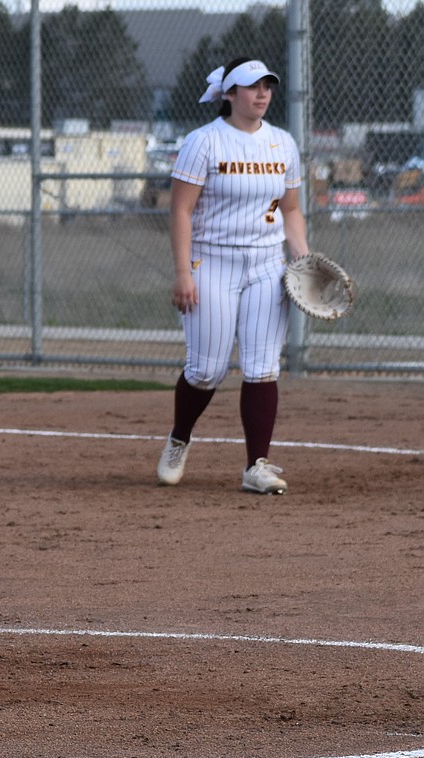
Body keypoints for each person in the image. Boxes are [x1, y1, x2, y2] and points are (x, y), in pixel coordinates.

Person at [155, 58, 310, 495]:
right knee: (206, 369)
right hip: (212, 261)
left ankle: (256, 466)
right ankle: (179, 438)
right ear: (228, 93)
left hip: (266, 264)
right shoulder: (204, 142)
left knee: (262, 367)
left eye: (267, 86)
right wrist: (182, 272)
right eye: (251, 86)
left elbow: (290, 209)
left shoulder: (282, 143)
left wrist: (302, 256)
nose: (262, 93)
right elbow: (181, 210)